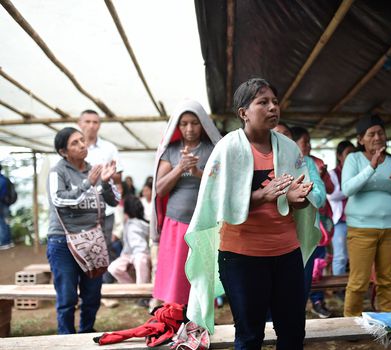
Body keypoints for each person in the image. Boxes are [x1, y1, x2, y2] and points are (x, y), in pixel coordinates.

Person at [184, 78, 320, 349]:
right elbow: (218, 205)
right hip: (241, 257)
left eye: (275, 102)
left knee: (293, 332)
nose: (273, 108)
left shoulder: (289, 148)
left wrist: (297, 199)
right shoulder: (227, 149)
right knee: (249, 335)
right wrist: (263, 195)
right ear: (243, 113)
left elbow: (300, 203)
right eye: (263, 102)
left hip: (286, 253)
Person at [341, 114, 391, 316]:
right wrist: (371, 167)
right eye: (371, 134)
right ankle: (351, 324)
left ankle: (390, 325)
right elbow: (347, 189)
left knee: (386, 279)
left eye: (381, 133)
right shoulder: (354, 159)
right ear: (360, 139)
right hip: (361, 229)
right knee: (359, 281)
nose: (377, 137)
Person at [47, 127, 119, 334]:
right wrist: (88, 184)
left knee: (92, 294)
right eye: (74, 143)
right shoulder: (57, 172)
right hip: (63, 242)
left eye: (82, 140)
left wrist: (105, 183)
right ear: (63, 152)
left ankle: (86, 333)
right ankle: (66, 339)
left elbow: (114, 200)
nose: (82, 145)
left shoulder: (94, 170)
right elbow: (59, 200)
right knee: (67, 297)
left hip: (93, 241)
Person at [150, 100, 222, 305]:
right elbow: (160, 189)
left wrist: (197, 172)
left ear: (204, 124)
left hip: (204, 223)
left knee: (200, 274)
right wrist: (180, 168)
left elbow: (222, 185)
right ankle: (174, 319)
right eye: (184, 124)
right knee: (176, 276)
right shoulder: (171, 151)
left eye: (194, 123)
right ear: (177, 126)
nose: (189, 129)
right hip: (176, 223)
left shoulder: (213, 150)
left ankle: (199, 321)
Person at [275, 123, 329, 318]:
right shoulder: (259, 160)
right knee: (271, 287)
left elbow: (320, 195)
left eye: (286, 135)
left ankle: (294, 327)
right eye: (276, 134)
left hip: (301, 235)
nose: (281, 138)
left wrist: (301, 195)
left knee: (300, 284)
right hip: (269, 236)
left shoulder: (305, 161)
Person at [78, 109, 123, 282]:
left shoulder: (109, 148)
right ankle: (85, 287)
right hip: (80, 209)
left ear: (99, 125)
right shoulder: (73, 148)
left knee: (105, 246)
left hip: (106, 208)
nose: (91, 125)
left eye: (95, 122)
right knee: (82, 247)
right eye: (87, 121)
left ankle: (106, 288)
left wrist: (108, 174)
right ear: (79, 123)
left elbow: (119, 177)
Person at [327, 140, 356, 279]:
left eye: (354, 153)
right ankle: (339, 289)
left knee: (358, 256)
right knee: (340, 257)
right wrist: (353, 187)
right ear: (339, 156)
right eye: (348, 153)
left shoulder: (358, 171)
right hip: (340, 220)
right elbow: (332, 195)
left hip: (357, 219)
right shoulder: (332, 174)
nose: (352, 156)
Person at [108, 195, 150, 284]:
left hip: (142, 253)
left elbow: (145, 247)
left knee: (140, 261)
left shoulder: (145, 224)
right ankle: (131, 287)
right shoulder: (127, 223)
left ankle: (141, 290)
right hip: (128, 254)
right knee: (113, 267)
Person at [0, 164, 14, 250]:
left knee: (3, 222)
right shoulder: (4, 179)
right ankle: (8, 241)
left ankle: (5, 242)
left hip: (2, 204)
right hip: (5, 204)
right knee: (5, 222)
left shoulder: (1, 180)